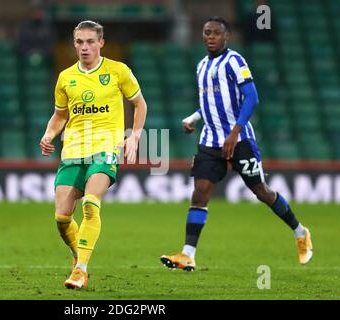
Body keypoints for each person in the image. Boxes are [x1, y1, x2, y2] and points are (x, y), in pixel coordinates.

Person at [160, 16, 312, 272]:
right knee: (200, 195)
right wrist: (194, 117)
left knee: (261, 191)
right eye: (207, 32)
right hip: (209, 141)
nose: (210, 37)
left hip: (239, 140)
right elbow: (213, 101)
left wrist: (235, 131)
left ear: (226, 36)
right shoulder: (201, 66)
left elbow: (251, 97)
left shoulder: (235, 61)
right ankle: (188, 255)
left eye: (216, 33)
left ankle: (300, 231)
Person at [40, 20, 147, 289]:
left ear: (101, 42)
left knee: (90, 203)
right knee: (62, 217)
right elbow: (59, 115)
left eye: (90, 41)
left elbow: (139, 103)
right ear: (74, 44)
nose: (84, 47)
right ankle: (79, 257)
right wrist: (49, 134)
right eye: (79, 42)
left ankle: (81, 270)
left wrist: (134, 135)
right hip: (73, 148)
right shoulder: (66, 77)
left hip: (106, 146)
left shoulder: (118, 71)